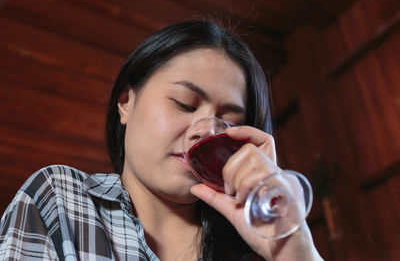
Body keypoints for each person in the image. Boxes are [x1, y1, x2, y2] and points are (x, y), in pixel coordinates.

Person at [0, 20, 323, 260]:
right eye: (184, 103)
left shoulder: (255, 243)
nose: (205, 132)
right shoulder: (61, 197)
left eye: (228, 123)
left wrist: (293, 249)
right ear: (126, 102)